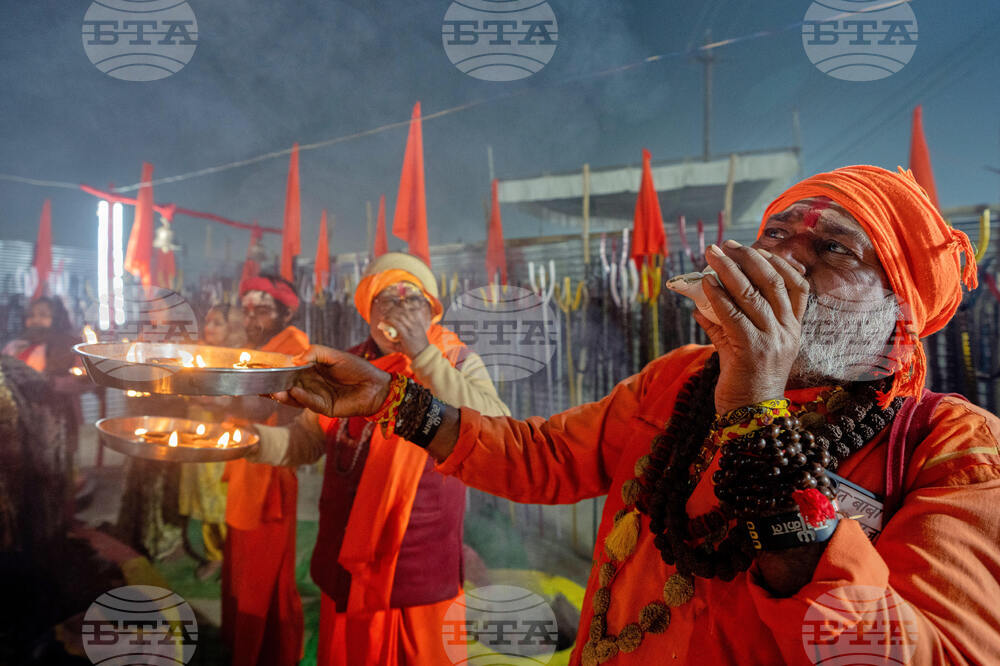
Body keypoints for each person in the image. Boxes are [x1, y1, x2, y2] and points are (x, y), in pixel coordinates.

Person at [273, 166, 1000, 665]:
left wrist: (755, 414)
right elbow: (542, 458)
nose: (786, 260)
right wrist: (391, 399)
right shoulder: (679, 380)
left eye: (832, 247)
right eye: (775, 235)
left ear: (897, 306)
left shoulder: (952, 447)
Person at [252, 252, 510, 666]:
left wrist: (424, 356)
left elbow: (499, 429)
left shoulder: (457, 361)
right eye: (387, 301)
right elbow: (306, 442)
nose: (401, 311)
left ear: (432, 310)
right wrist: (248, 441)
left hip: (420, 568)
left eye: (413, 301)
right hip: (347, 563)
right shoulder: (345, 365)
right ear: (368, 312)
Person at [221, 274, 309, 666]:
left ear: (285, 312)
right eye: (246, 309)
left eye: (263, 309)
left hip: (272, 472)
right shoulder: (251, 348)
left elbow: (260, 407)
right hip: (245, 469)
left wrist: (213, 388)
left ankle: (268, 654)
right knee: (241, 573)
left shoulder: (292, 346)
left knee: (262, 578)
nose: (252, 317)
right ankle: (241, 648)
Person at [178, 303, 245, 581]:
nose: (210, 328)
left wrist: (220, 400)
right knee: (204, 497)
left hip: (225, 432)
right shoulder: (196, 355)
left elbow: (244, 396)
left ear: (232, 327)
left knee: (223, 497)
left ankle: (235, 556)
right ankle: (214, 554)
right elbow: (182, 387)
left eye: (218, 323)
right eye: (208, 322)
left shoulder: (238, 357)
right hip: (196, 429)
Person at [2, 296, 77, 376]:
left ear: (56, 320)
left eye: (43, 315)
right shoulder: (14, 346)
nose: (35, 320)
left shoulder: (64, 348)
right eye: (31, 315)